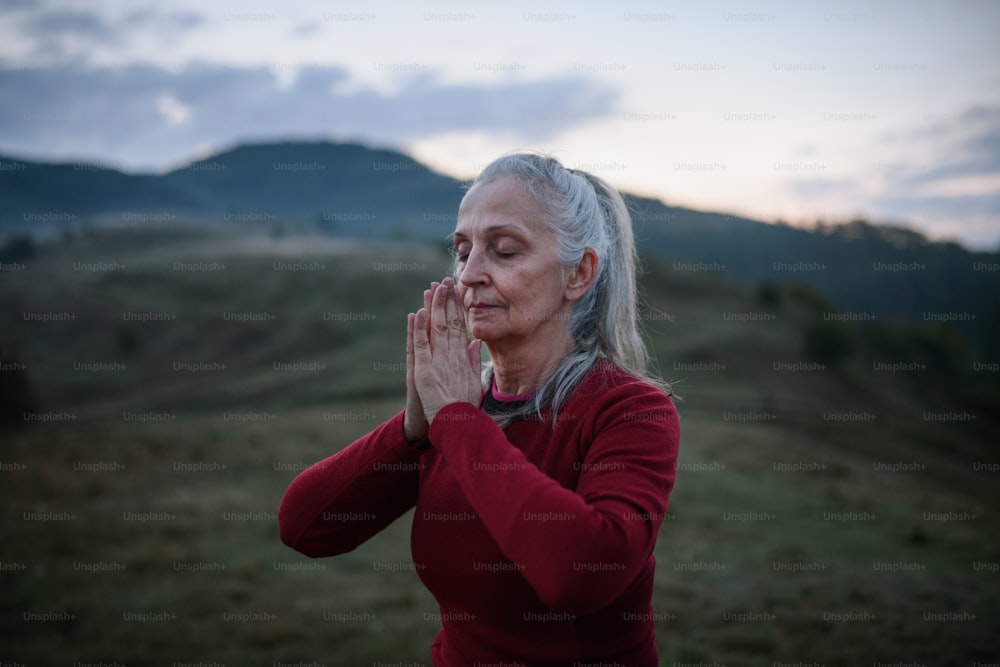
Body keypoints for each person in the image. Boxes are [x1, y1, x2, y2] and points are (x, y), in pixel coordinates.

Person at [279, 153, 680, 666]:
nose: (468, 275)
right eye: (462, 250)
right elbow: (305, 527)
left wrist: (457, 423)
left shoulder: (630, 411)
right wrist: (413, 429)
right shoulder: (462, 409)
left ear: (578, 273)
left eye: (504, 251)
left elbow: (580, 575)